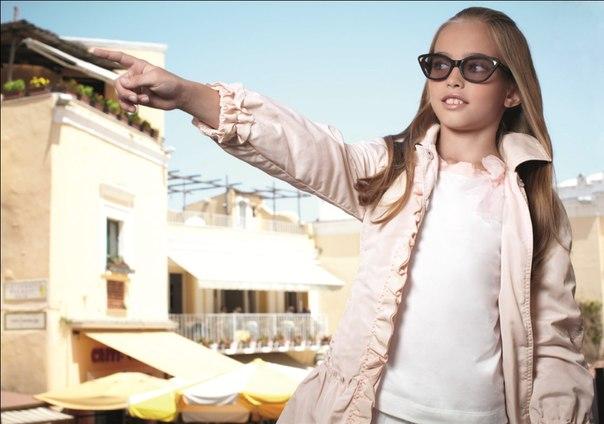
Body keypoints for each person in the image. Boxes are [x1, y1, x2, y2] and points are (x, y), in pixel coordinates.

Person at [91, 6, 594, 423]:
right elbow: (306, 148)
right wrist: (189, 95)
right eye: (440, 64)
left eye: (476, 66)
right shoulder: (390, 169)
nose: (453, 77)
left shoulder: (534, 204)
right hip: (373, 412)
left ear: (511, 91)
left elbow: (555, 344)